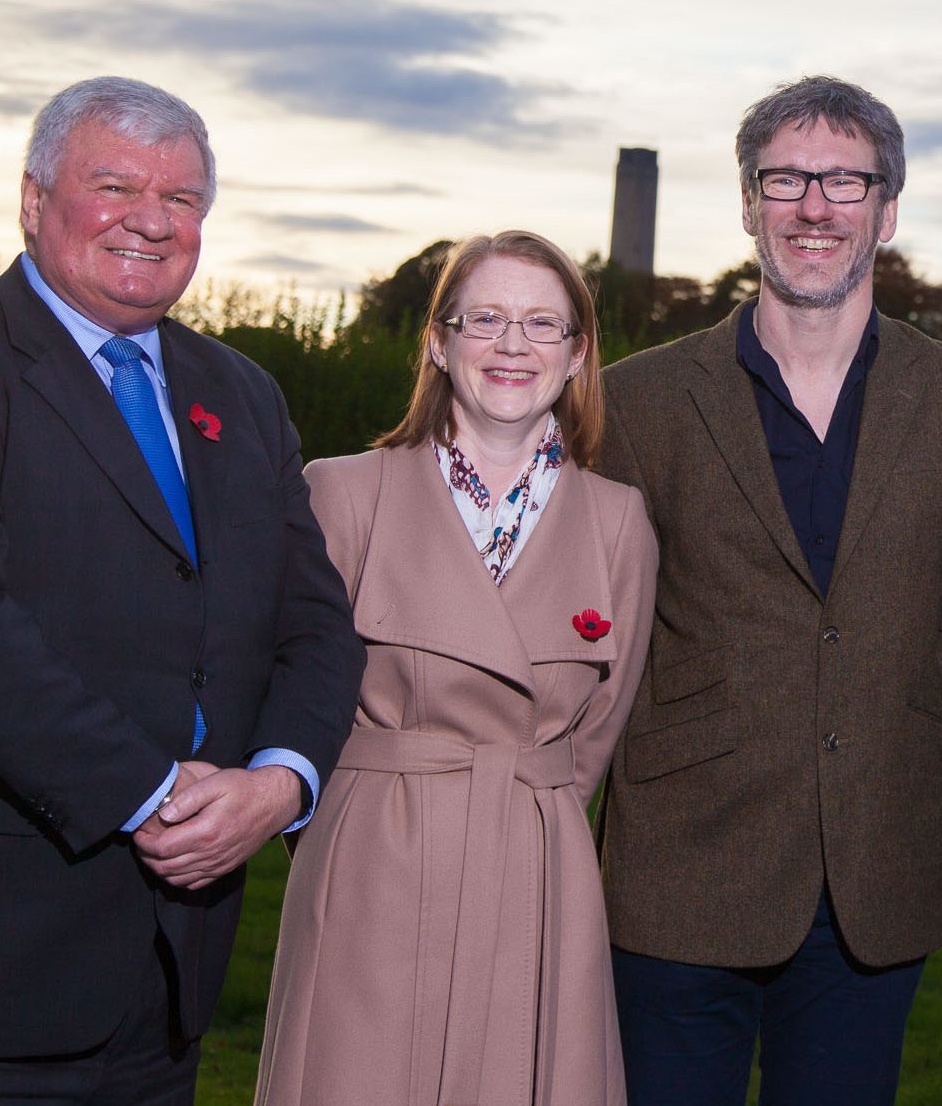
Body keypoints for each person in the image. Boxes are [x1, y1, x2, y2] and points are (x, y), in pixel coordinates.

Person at [0, 76, 363, 1103]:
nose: (152, 221)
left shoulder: (241, 394)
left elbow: (315, 625)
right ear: (33, 198)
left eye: (184, 198)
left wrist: (279, 781)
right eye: (114, 185)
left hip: (163, 983)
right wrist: (153, 793)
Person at [593, 76, 942, 1106]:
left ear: (887, 206)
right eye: (786, 178)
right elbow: (601, 615)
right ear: (748, 202)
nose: (815, 206)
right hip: (678, 869)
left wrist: (890, 720)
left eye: (844, 180)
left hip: (871, 871)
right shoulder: (639, 398)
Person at [256, 230, 656, 1105]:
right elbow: (288, 688)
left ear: (578, 352)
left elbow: (599, 727)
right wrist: (353, 823)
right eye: (487, 319)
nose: (514, 345)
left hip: (537, 866)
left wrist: (527, 810)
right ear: (438, 341)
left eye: (543, 323)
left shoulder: (620, 520)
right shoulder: (344, 491)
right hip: (374, 861)